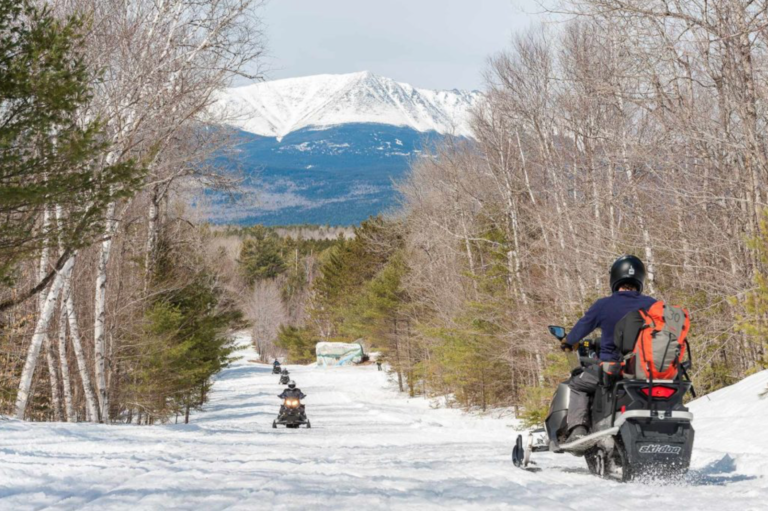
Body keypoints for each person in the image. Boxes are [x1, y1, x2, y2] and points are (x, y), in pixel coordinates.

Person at [561, 255, 656, 443]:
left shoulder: (603, 305)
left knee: (577, 384)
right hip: (645, 372)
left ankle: (578, 428)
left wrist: (568, 342)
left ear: (615, 278)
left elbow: (582, 327)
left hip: (611, 369)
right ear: (640, 279)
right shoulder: (653, 305)